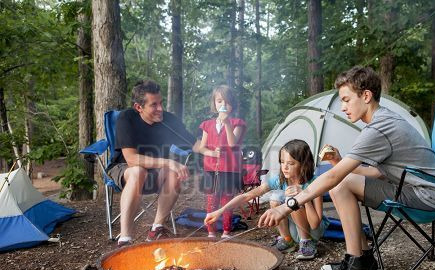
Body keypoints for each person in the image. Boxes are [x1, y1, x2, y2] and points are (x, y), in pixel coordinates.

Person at [258, 66, 435, 270]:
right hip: (417, 190)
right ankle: (364, 258)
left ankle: (357, 265)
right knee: (343, 184)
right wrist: (339, 161)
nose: (343, 107)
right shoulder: (385, 120)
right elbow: (375, 174)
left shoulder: (379, 127)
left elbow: (336, 177)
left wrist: (288, 206)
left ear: (366, 96)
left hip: (426, 197)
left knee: (341, 185)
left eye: (346, 100)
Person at [107, 80, 197, 246]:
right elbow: (131, 159)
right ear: (138, 107)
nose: (160, 109)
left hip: (156, 172)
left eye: (161, 103)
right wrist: (168, 162)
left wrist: (217, 148)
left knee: (174, 173)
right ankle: (125, 238)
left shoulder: (169, 120)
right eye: (154, 105)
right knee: (138, 171)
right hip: (125, 169)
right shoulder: (127, 118)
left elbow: (195, 144)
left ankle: (156, 229)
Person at [205, 139, 328, 259]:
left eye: (290, 164)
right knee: (275, 198)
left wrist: (304, 196)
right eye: (282, 162)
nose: (284, 167)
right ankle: (287, 241)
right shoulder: (280, 179)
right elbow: (247, 196)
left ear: (304, 164)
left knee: (292, 198)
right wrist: (220, 211)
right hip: (295, 229)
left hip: (313, 232)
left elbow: (315, 223)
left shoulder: (314, 183)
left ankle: (306, 243)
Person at [194, 85, 246, 239]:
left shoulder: (238, 123)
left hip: (230, 169)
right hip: (211, 168)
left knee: (226, 200)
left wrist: (227, 123)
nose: (223, 105)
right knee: (211, 200)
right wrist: (211, 153)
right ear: (214, 104)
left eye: (227, 102)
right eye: (219, 101)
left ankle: (226, 232)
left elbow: (232, 144)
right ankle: (211, 231)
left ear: (232, 105)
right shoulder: (207, 125)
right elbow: (201, 148)